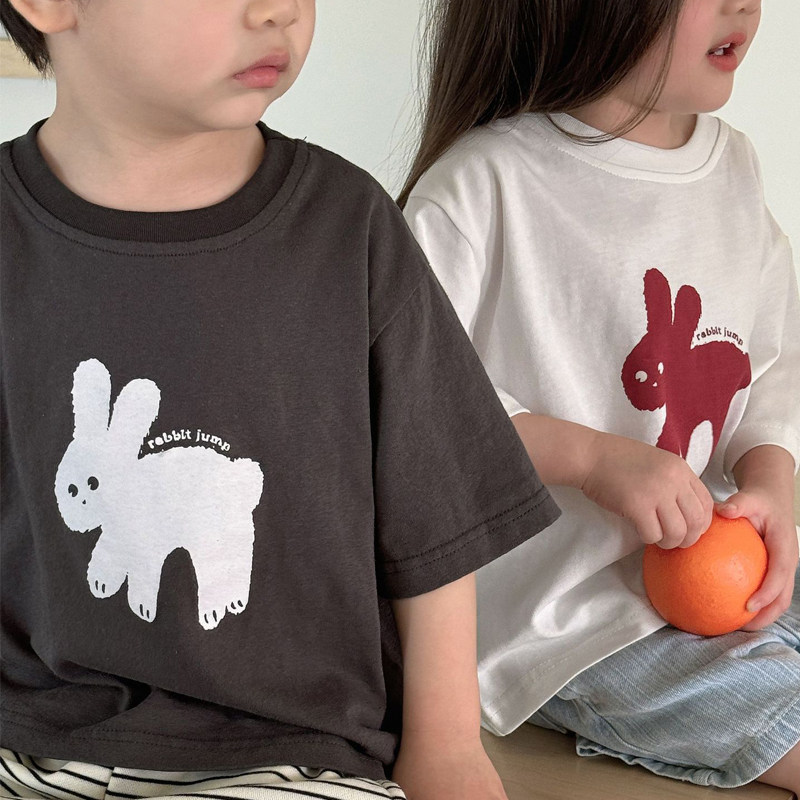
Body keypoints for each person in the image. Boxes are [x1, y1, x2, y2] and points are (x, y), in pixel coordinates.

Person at [0, 1, 562, 798]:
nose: (280, 11)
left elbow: (434, 526)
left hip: (289, 758)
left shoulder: (349, 228)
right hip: (25, 743)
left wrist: (447, 749)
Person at [400, 0, 800, 793]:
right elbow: (410, 407)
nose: (743, 6)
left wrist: (771, 485)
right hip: (567, 618)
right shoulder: (486, 185)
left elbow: (769, 362)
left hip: (722, 573)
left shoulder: (732, 166)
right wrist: (589, 459)